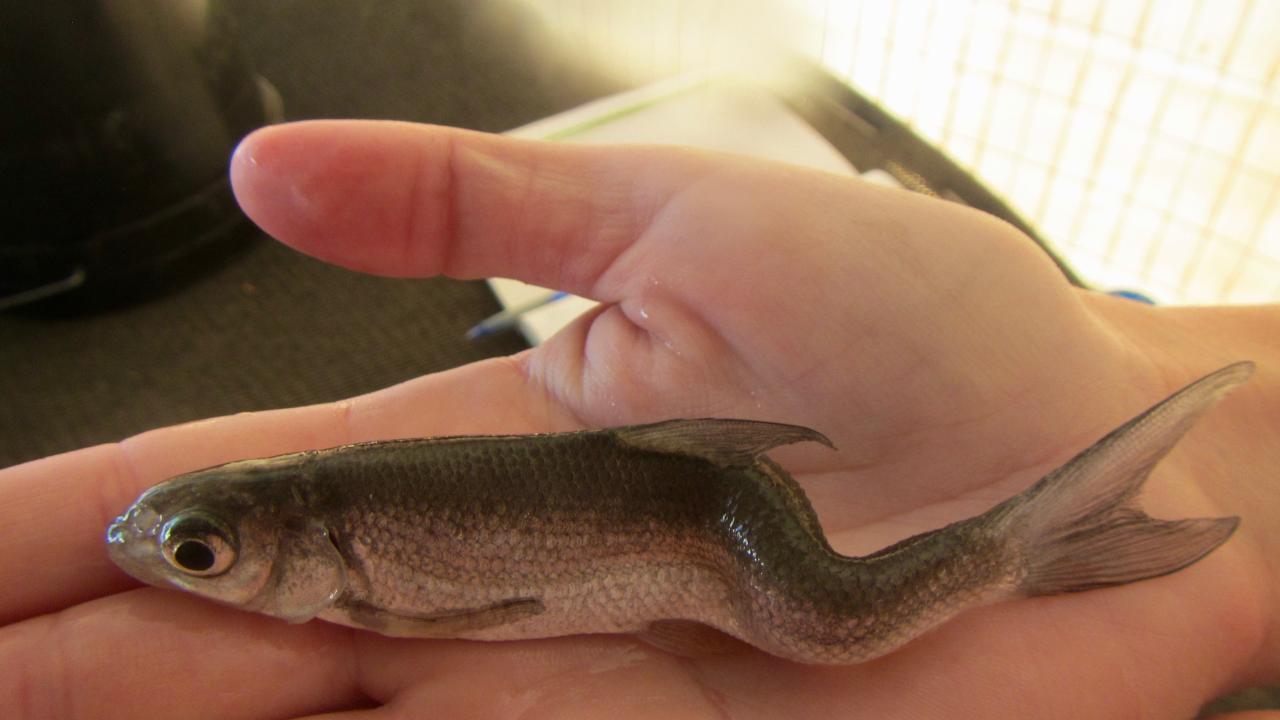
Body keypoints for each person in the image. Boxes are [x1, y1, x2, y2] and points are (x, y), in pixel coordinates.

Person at [1, 120, 1275, 719]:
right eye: (199, 552)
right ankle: (1045, 536)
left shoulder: (366, 574)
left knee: (825, 629)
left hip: (714, 515)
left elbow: (483, 608)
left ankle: (1031, 542)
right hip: (705, 503)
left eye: (200, 554)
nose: (190, 568)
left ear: (295, 537)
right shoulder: (350, 551)